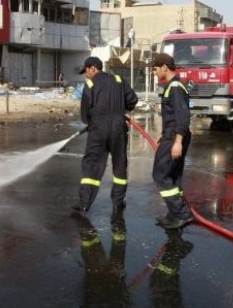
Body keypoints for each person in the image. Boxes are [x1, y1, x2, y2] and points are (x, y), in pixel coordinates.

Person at [72, 56, 138, 213]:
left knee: (92, 165)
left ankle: (85, 203)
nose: (86, 75)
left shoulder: (90, 83)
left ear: (93, 68)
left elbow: (85, 113)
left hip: (98, 131)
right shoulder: (119, 79)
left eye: (86, 71)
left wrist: (91, 123)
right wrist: (121, 109)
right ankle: (117, 203)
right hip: (118, 129)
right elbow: (132, 100)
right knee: (120, 166)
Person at [149, 53, 194, 230]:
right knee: (173, 175)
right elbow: (173, 115)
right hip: (172, 135)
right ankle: (175, 213)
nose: (154, 72)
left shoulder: (175, 87)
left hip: (175, 137)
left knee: (160, 175)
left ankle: (182, 213)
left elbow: (183, 117)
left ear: (164, 67)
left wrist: (177, 141)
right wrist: (164, 133)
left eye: (155, 68)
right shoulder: (172, 85)